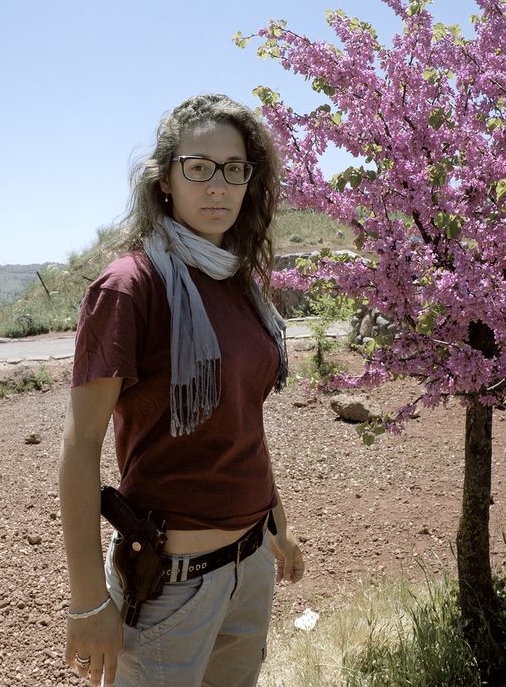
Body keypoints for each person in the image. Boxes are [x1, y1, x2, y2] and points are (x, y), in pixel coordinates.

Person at [59, 94, 305, 687]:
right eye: (198, 168)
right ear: (165, 179)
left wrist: (277, 525)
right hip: (172, 584)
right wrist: (88, 601)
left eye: (234, 168)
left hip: (250, 567)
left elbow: (245, 422)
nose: (217, 186)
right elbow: (80, 446)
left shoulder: (240, 282)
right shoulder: (130, 287)